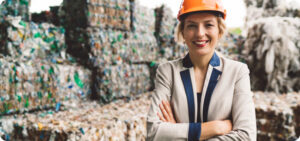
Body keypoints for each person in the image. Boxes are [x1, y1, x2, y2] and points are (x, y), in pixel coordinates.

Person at [146, 0, 257, 140]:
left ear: (219, 30)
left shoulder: (237, 72)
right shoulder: (168, 72)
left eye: (208, 25)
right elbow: (153, 132)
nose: (200, 33)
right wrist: (216, 127)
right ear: (182, 32)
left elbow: (246, 137)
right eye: (192, 26)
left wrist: (177, 133)